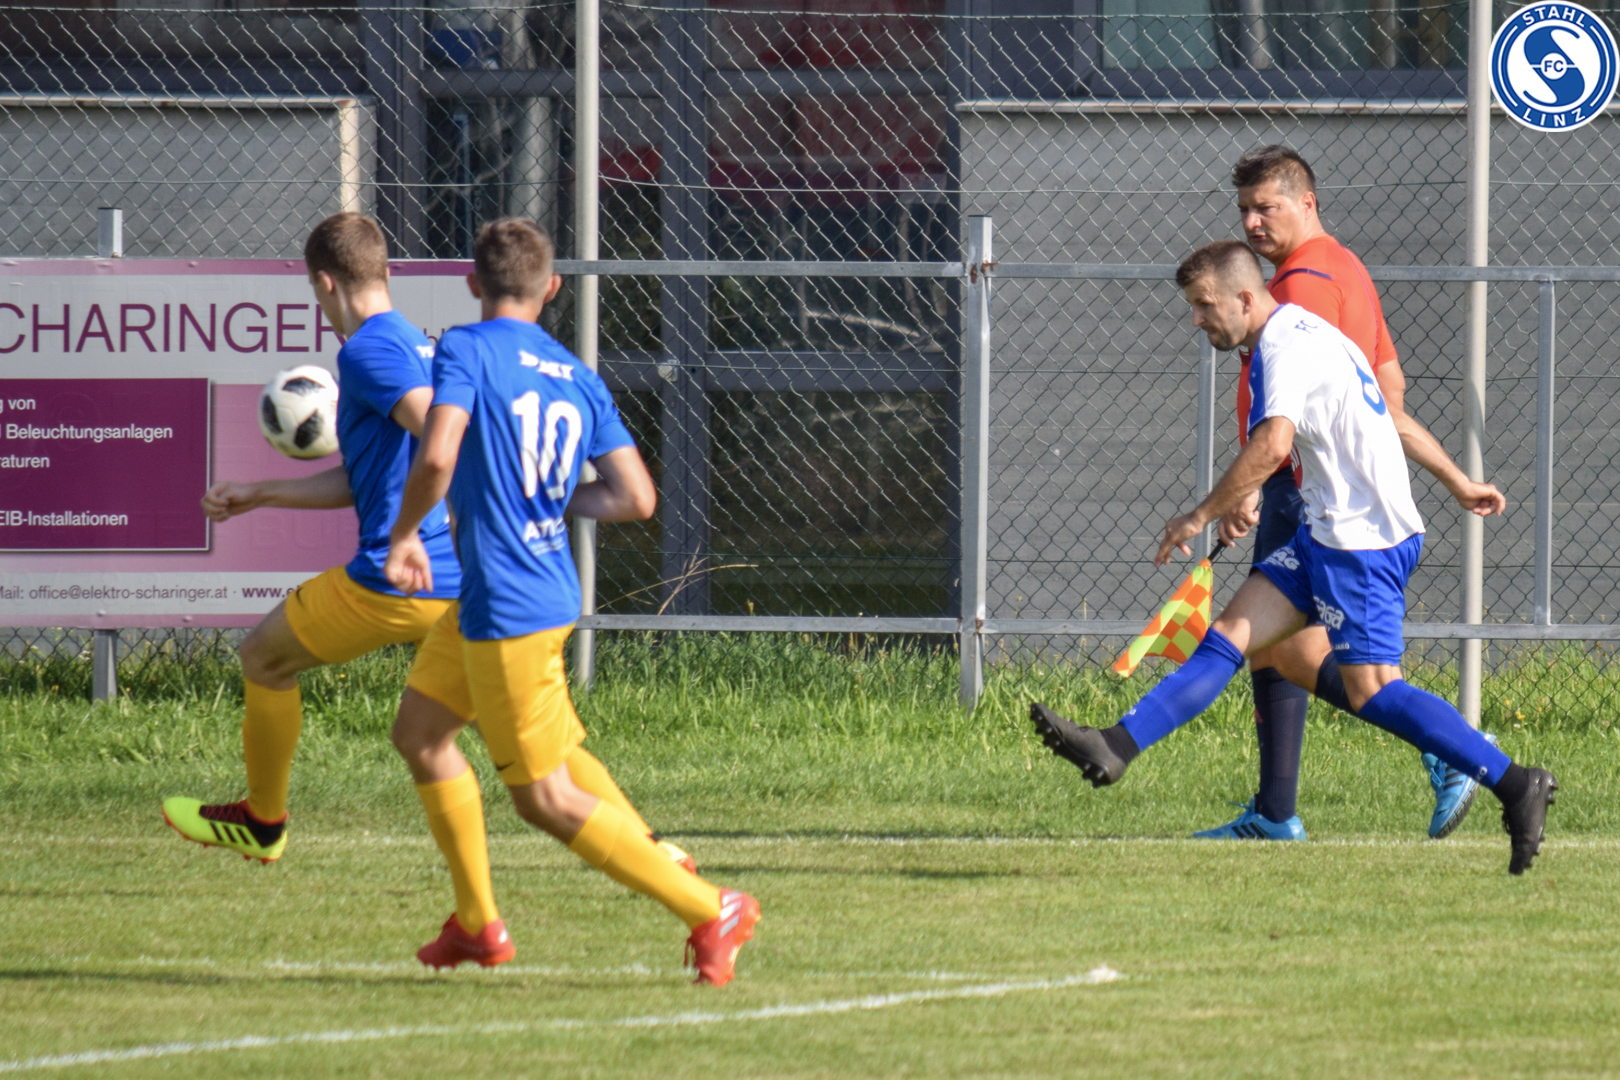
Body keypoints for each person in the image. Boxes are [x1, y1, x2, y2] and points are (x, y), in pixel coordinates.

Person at [162, 213, 683, 875]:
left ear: (324, 283)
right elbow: (374, 475)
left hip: (398, 577)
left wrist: (418, 528)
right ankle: (655, 849)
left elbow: (445, 442)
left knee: (263, 657)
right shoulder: (413, 341)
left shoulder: (368, 352)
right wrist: (263, 492)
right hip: (460, 576)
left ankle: (263, 821)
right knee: (533, 734)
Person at [1030, 240, 1556, 875]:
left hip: (1362, 543)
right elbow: (1379, 421)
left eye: (1204, 305)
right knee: (1230, 636)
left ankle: (1514, 782)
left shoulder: (1281, 346)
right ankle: (1115, 745)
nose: (1197, 320)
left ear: (1244, 298)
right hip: (1324, 532)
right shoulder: (1307, 330)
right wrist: (1458, 481)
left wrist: (1200, 515)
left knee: (1374, 691)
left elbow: (1274, 443)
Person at [383, 218, 759, 983]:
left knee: (543, 797)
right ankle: (478, 923)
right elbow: (635, 498)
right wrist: (547, 501)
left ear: (472, 282)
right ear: (553, 288)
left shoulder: (464, 347)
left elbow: (440, 453)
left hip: (509, 603)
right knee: (422, 734)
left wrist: (405, 534)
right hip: (531, 588)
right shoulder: (575, 373)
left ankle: (707, 905)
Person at [1200, 146, 1505, 841]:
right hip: (1324, 488)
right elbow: (1389, 391)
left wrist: (1253, 486)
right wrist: (1455, 478)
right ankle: (1277, 810)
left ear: (1306, 202)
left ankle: (1445, 746)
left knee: (1272, 644)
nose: (1250, 222)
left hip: (1305, 490)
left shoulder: (1299, 290)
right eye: (1243, 209)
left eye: (1265, 207)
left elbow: (1287, 415)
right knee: (1276, 647)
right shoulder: (1348, 269)